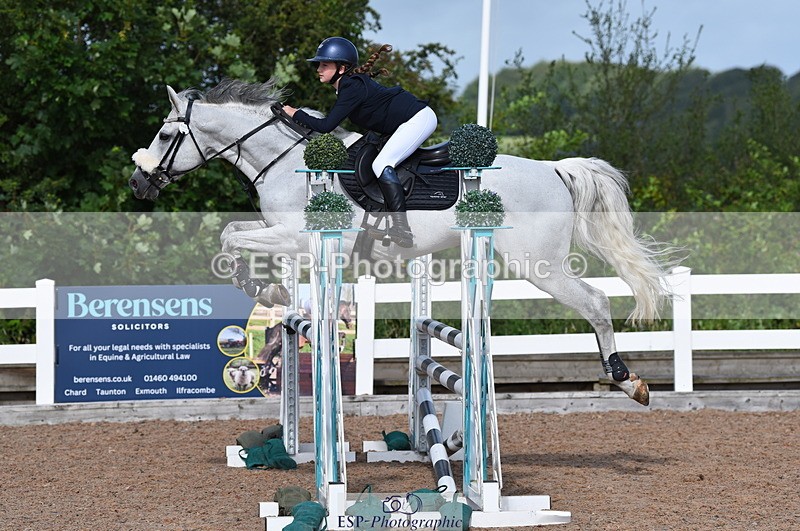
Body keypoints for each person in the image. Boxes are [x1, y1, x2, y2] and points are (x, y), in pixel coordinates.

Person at [283, 37, 438, 248]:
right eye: (319, 64)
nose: (318, 69)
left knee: (381, 164)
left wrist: (294, 113)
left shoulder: (351, 86)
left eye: (324, 65)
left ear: (342, 68)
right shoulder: (349, 85)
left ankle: (402, 229)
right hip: (405, 121)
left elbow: (326, 126)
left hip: (418, 118)